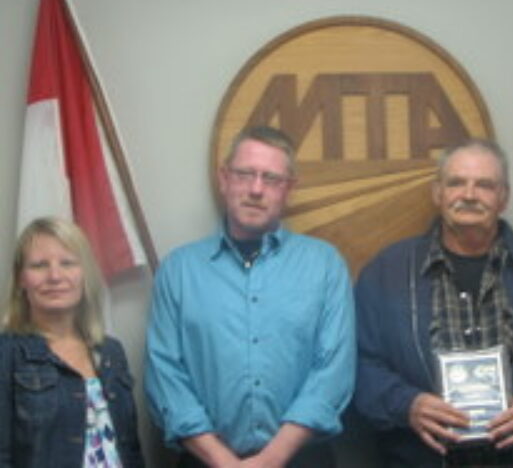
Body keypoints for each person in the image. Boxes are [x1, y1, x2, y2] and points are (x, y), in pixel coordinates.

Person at [354, 138, 513, 467]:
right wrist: (406, 404)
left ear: (503, 197)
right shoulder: (387, 271)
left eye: (484, 185)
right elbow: (359, 363)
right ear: (437, 193)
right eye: (456, 183)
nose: (469, 195)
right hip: (421, 458)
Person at [145, 125, 355, 467]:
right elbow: (166, 376)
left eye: (271, 179)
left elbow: (332, 373)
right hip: (204, 461)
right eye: (245, 174)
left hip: (302, 460)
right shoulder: (179, 271)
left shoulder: (325, 266)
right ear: (224, 178)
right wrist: (222, 461)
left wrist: (271, 459)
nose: (256, 189)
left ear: (289, 189)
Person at [0, 216, 145, 468]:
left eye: (67, 263)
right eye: (39, 265)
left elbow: (130, 448)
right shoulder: (7, 353)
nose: (55, 276)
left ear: (84, 274)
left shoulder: (111, 352)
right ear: (21, 279)